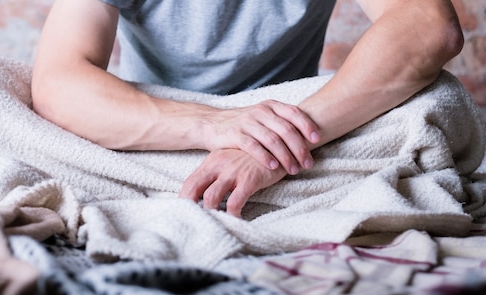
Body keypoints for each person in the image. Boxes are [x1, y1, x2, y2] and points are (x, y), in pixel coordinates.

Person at [31, 0, 463, 217]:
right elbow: (57, 82)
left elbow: (430, 26)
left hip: (304, 134)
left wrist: (270, 146)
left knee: (436, 97)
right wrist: (213, 126)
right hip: (159, 135)